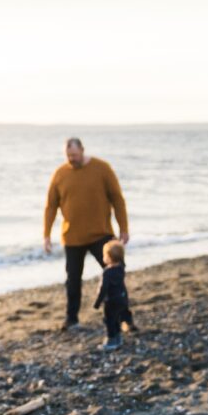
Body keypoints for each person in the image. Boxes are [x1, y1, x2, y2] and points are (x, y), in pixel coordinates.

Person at [43, 137, 131, 331]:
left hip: (101, 234)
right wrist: (47, 235)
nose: (71, 159)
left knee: (116, 276)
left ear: (82, 150)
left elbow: (117, 199)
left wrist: (123, 228)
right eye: (68, 156)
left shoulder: (102, 168)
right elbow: (50, 206)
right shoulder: (60, 174)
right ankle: (71, 318)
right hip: (72, 237)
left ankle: (126, 318)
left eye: (74, 155)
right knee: (72, 280)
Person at [93, 240, 133, 351]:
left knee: (109, 320)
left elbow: (103, 289)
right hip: (122, 298)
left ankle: (111, 341)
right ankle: (118, 338)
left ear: (109, 257)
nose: (103, 257)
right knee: (117, 319)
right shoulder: (121, 268)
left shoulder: (107, 272)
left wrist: (97, 303)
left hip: (111, 301)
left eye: (105, 255)